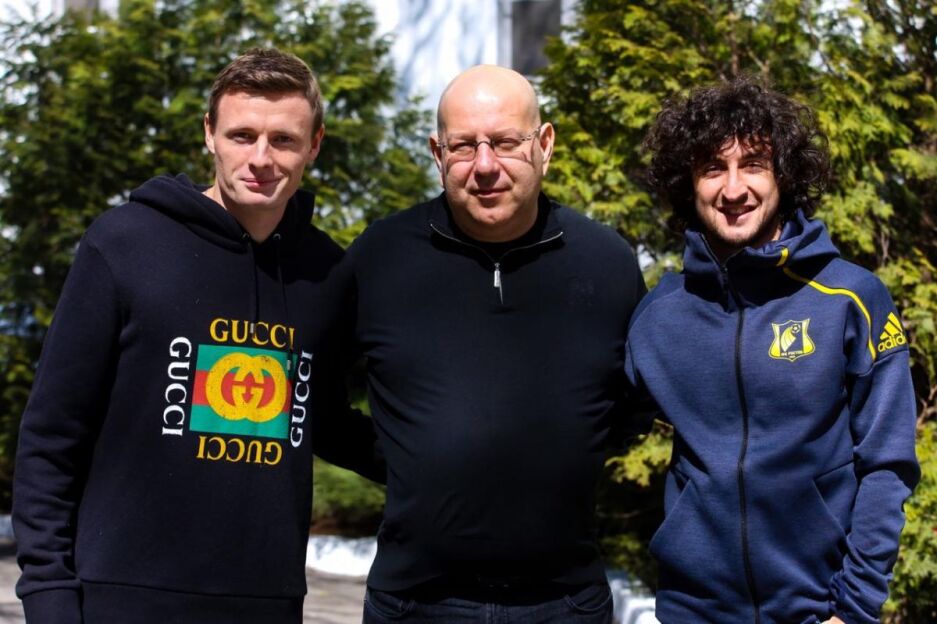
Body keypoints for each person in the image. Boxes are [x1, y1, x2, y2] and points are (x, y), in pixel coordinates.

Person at [12, 48, 380, 623]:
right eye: (242, 135)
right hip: (120, 598)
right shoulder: (125, 243)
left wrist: (447, 463)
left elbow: (325, 420)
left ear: (314, 144)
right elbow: (52, 432)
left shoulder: (325, 273)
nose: (260, 158)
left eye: (283, 140)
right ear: (210, 133)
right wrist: (48, 593)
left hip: (266, 603)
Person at [341, 64, 646, 623]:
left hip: (565, 602)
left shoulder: (606, 263)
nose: (485, 166)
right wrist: (400, 460)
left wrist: (573, 452)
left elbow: (637, 397)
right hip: (415, 603)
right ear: (437, 154)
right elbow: (312, 393)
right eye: (463, 146)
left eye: (505, 142)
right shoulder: (381, 257)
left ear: (544, 145)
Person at [628, 77, 920, 624]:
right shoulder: (659, 316)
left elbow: (887, 464)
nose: (733, 188)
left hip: (820, 610)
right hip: (692, 611)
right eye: (713, 168)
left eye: (754, 165)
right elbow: (591, 426)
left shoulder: (850, 299)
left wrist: (854, 608)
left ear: (783, 174)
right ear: (688, 183)